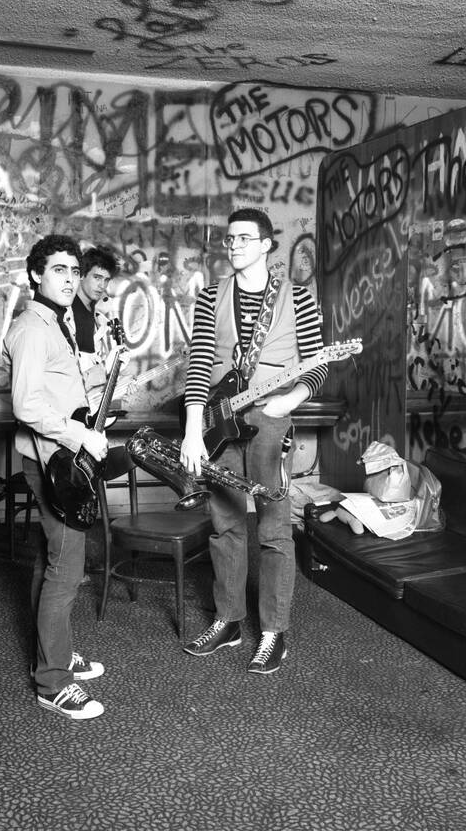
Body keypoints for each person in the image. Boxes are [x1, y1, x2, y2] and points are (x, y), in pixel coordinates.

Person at [179, 208, 327, 674]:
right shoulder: (211, 297)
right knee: (224, 525)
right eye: (230, 239)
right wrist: (191, 427)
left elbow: (319, 364)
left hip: (269, 423)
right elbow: (200, 362)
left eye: (245, 238)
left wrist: (292, 399)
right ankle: (228, 621)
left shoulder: (297, 299)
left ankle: (273, 632)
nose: (235, 245)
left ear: (266, 244)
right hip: (219, 424)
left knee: (274, 530)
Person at [2, 234, 110, 721]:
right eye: (58, 271)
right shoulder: (32, 326)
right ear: (36, 276)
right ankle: (52, 682)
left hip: (57, 457)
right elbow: (25, 403)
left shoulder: (58, 322)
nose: (68, 280)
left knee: (49, 559)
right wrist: (78, 435)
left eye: (73, 271)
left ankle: (55, 653)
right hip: (52, 461)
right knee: (66, 569)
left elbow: (60, 387)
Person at [71, 246, 119, 392]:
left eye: (106, 280)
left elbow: (88, 370)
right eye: (97, 277)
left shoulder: (92, 311)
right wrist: (105, 369)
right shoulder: (71, 311)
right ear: (82, 275)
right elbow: (71, 377)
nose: (102, 286)